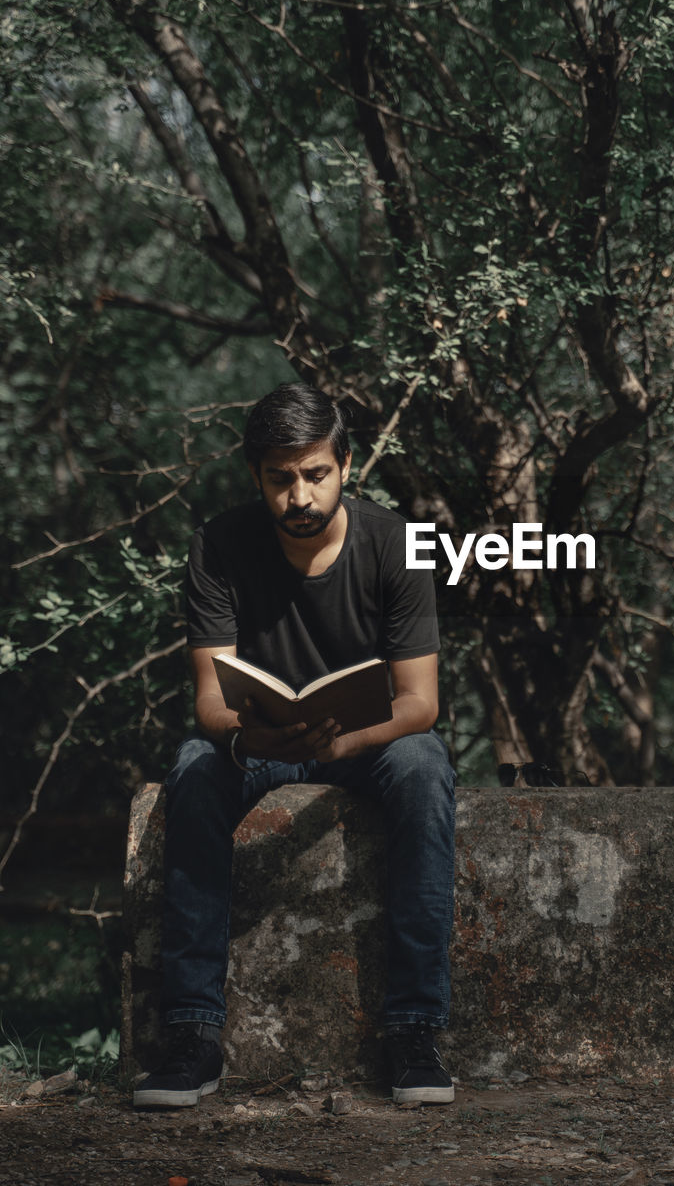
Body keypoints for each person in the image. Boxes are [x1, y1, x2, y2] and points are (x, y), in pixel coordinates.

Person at [133, 382, 456, 1109]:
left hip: (366, 741)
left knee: (425, 765)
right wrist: (256, 735)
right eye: (281, 479)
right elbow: (210, 702)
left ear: (345, 465)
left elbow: (420, 704)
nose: (299, 496)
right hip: (264, 736)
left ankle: (414, 1030)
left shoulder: (396, 544)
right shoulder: (219, 544)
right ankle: (190, 1033)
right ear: (257, 476)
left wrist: (344, 743)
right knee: (191, 766)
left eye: (315, 474)